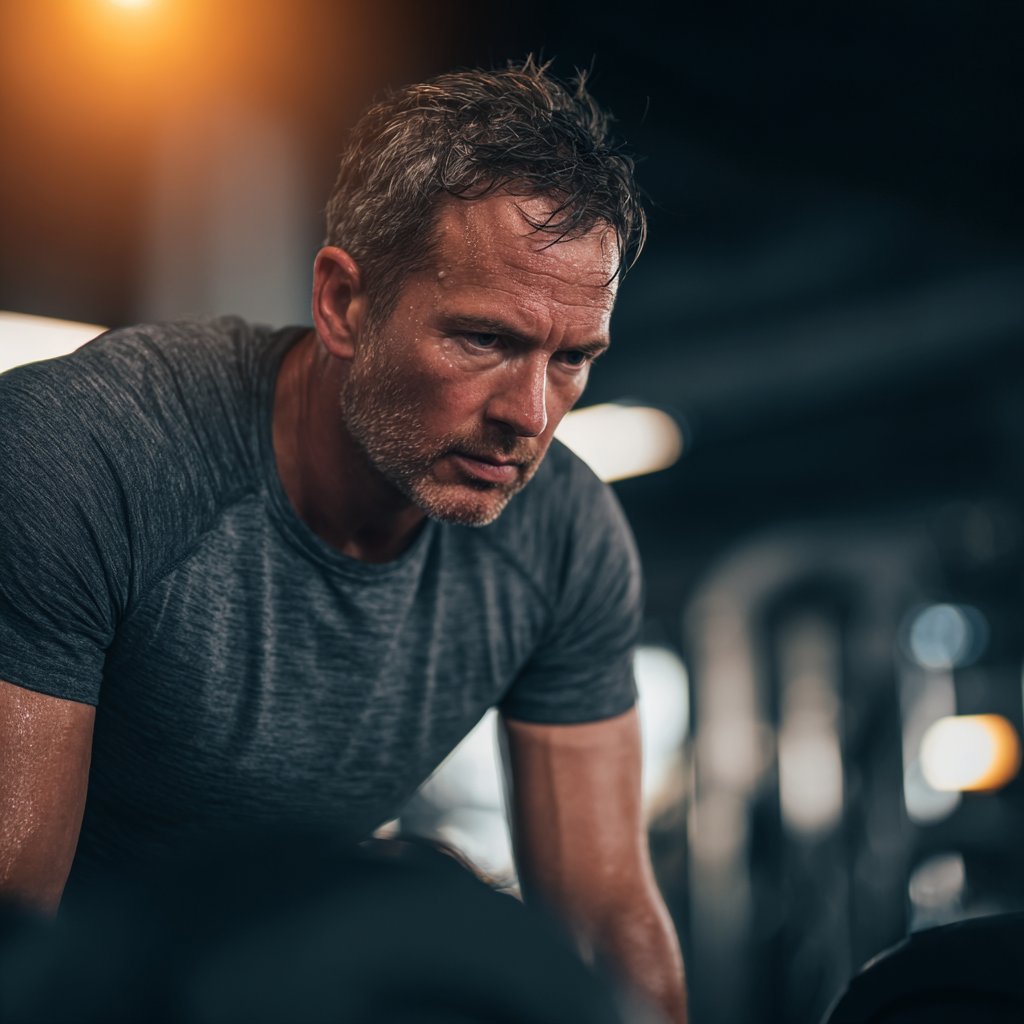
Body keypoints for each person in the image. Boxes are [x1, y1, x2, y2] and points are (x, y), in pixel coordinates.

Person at [0, 59, 687, 1021]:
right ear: (343, 306)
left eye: (571, 358)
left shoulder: (567, 538)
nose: (531, 415)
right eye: (484, 339)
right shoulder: (87, 456)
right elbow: (13, 936)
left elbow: (607, 921)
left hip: (270, 973)